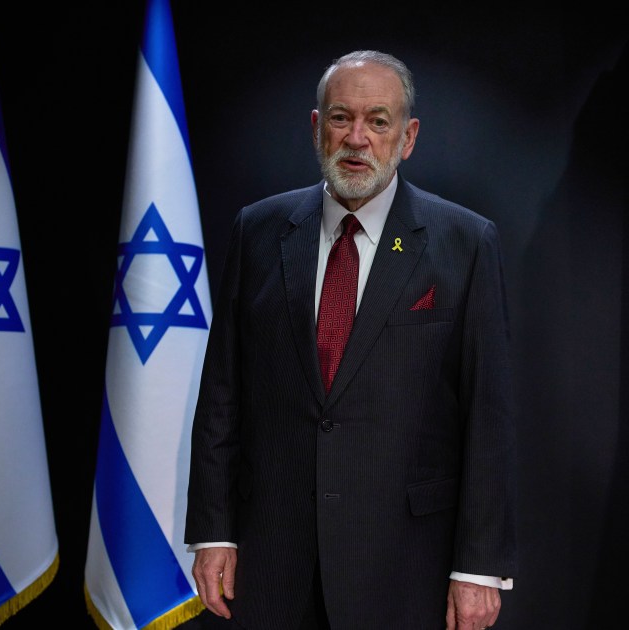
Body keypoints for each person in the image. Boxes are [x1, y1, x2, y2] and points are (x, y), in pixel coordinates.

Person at [185, 50, 518, 629]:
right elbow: (222, 394)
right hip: (274, 557)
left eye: (378, 121)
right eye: (341, 118)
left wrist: (479, 567)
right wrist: (214, 532)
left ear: (407, 138)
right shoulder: (258, 230)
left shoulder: (464, 242)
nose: (357, 138)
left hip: (405, 562)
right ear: (318, 128)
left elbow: (487, 416)